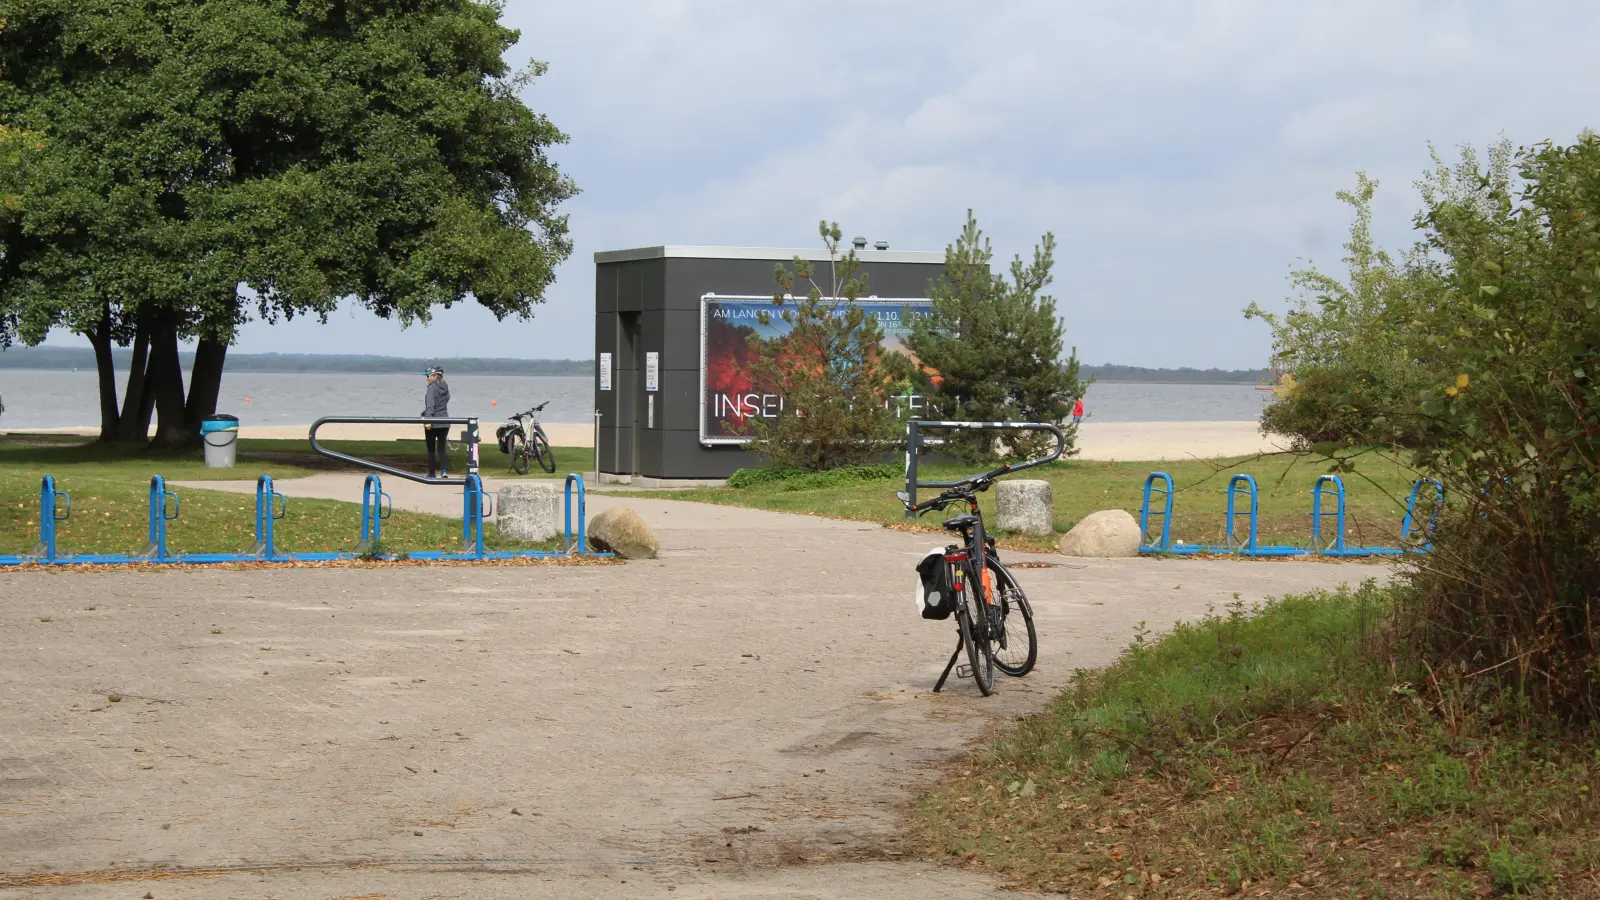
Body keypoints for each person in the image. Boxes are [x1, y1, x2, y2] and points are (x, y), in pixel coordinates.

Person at [421, 366, 451, 478]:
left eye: (428, 376)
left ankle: (432, 474)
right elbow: (442, 403)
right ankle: (444, 471)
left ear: (435, 376)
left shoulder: (431, 388)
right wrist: (425, 412)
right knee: (442, 448)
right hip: (445, 421)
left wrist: (427, 420)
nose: (426, 378)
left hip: (433, 422)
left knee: (431, 449)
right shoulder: (445, 387)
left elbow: (430, 406)